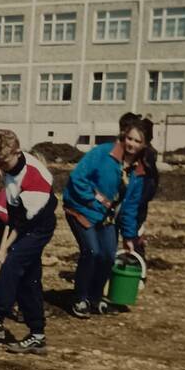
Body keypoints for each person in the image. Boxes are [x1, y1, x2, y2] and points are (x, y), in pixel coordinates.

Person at [0, 130, 57, 355]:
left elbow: (22, 224)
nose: (1, 166)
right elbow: (11, 206)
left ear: (18, 152)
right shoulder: (9, 166)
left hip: (38, 226)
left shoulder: (36, 177)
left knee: (11, 265)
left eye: (4, 161)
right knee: (29, 279)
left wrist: (5, 249)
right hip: (22, 220)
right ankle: (37, 335)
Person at [61, 118, 151, 318]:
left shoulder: (138, 171)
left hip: (107, 217)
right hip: (81, 209)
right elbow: (78, 178)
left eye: (137, 141)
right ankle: (80, 298)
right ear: (123, 136)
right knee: (91, 251)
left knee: (108, 256)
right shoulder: (102, 153)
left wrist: (129, 237)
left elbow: (130, 207)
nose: (131, 144)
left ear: (143, 145)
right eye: (129, 138)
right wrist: (94, 202)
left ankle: (95, 297)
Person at [119, 112, 158, 258]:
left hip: (138, 199)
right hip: (136, 199)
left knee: (134, 234)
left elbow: (149, 181)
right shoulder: (145, 152)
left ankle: (135, 264)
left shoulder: (145, 155)